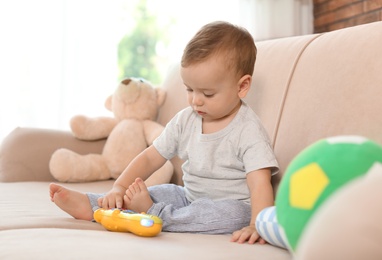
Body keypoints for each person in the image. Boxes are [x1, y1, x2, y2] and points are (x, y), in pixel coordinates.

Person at [49, 21, 279, 244]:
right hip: (187, 196)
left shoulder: (248, 130)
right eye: (189, 89)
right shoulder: (185, 120)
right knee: (163, 190)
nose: (195, 100)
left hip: (229, 204)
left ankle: (153, 212)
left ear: (242, 86)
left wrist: (257, 224)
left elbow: (259, 184)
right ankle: (94, 205)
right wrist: (119, 187)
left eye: (207, 94)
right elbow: (151, 156)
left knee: (234, 214)